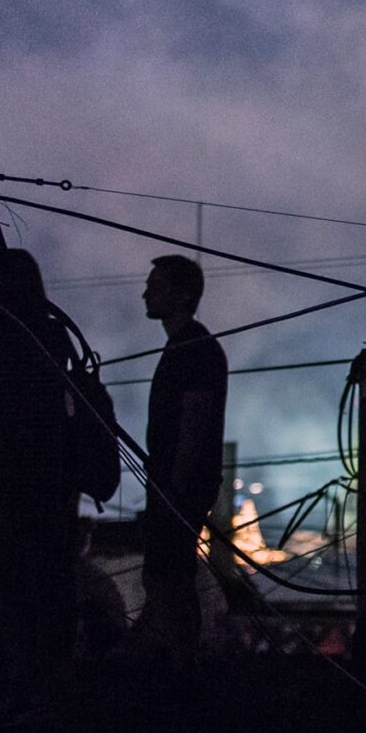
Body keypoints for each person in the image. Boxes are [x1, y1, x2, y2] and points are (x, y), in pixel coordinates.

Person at [0, 248, 80, 713]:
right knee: (44, 587)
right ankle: (44, 689)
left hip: (10, 486)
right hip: (48, 485)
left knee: (5, 589)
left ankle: (9, 692)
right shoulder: (49, 337)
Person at [135, 253, 227, 668]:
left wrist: (174, 484)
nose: (146, 293)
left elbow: (194, 418)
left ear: (181, 294)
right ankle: (169, 654)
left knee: (166, 574)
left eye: (156, 286)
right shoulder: (188, 346)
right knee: (166, 573)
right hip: (175, 482)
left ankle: (183, 660)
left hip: (178, 484)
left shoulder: (193, 348)